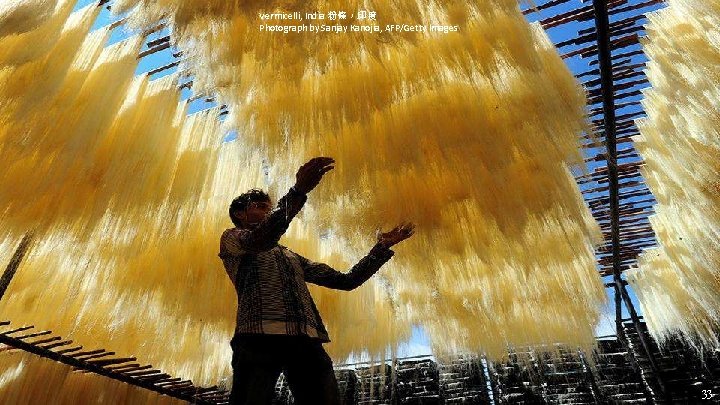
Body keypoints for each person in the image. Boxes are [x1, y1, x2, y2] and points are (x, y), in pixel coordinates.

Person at [218, 157, 415, 405]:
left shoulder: (291, 256)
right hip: (258, 337)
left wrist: (382, 247)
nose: (267, 211)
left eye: (269, 208)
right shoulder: (232, 239)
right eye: (259, 206)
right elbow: (261, 239)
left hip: (306, 340)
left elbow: (346, 280)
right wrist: (298, 191)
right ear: (239, 214)